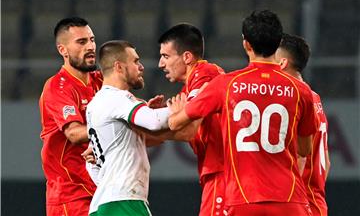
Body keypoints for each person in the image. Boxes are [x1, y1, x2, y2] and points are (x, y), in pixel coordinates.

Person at [167, 10, 318, 215]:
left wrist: (176, 111)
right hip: (290, 199)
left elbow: (177, 123)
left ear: (246, 44)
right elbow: (304, 149)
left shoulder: (225, 85)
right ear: (277, 42)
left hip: (243, 198)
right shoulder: (302, 91)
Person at [85, 40, 175, 216]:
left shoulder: (96, 104)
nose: (141, 67)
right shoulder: (117, 99)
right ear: (119, 67)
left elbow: (91, 164)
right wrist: (187, 105)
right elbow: (154, 121)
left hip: (103, 204)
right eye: (135, 61)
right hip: (123, 202)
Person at [158, 23, 226, 216]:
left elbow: (189, 130)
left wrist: (170, 119)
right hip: (216, 173)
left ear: (187, 57)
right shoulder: (188, 88)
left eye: (165, 56)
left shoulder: (207, 74)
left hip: (223, 173)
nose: (160, 64)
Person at [39, 17, 102, 216]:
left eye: (92, 40)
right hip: (71, 195)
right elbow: (74, 134)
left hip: (101, 189)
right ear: (62, 50)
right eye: (81, 42)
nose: (90, 46)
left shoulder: (101, 80)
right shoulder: (57, 87)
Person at [276, 33, 330, 216]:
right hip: (316, 203)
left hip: (298, 204)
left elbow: (301, 156)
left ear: (281, 62)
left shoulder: (293, 99)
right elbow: (326, 162)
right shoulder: (313, 98)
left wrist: (285, 199)